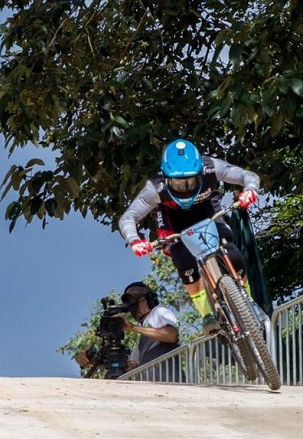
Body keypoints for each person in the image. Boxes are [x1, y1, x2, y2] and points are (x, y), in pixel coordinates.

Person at [119, 138, 260, 335]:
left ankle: (248, 302)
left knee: (233, 254)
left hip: (208, 212)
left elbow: (247, 175)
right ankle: (207, 315)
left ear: (200, 172)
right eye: (177, 182)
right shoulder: (155, 188)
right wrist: (135, 241)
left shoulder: (211, 167)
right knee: (184, 261)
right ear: (165, 177)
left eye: (190, 181)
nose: (184, 187)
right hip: (174, 223)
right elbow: (128, 217)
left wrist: (250, 190)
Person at [74, 281, 180, 374]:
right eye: (130, 303)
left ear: (148, 300)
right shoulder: (143, 334)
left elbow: (171, 335)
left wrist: (133, 327)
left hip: (170, 383)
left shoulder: (159, 311)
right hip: (152, 387)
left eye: (136, 301)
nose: (133, 308)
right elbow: (130, 367)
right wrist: (92, 360)